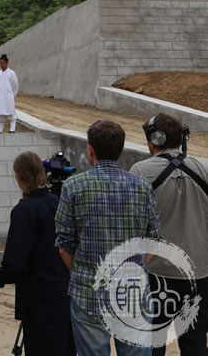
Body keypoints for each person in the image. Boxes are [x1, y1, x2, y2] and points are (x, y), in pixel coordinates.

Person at [55, 120, 161, 356]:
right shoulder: (143, 187)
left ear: (90, 150)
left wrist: (82, 274)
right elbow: (153, 241)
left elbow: (63, 246)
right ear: (120, 150)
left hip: (88, 293)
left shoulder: (73, 186)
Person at [130, 113, 208, 356]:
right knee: (195, 344)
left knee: (153, 345)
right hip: (199, 274)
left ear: (155, 139)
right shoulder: (204, 168)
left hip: (157, 274)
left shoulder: (140, 171)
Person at [0, 151, 75, 356]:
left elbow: (15, 261)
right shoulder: (58, 203)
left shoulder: (24, 211)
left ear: (18, 177)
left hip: (38, 303)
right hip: (64, 296)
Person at [0, 54, 19, 134]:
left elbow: (15, 86)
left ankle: (12, 129)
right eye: (0, 63)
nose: (1, 65)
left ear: (7, 63)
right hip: (0, 97)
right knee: (0, 114)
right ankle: (0, 130)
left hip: (9, 97)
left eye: (3, 63)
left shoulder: (11, 73)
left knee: (11, 113)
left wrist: (12, 95)